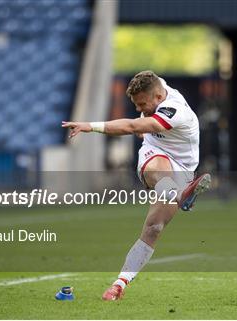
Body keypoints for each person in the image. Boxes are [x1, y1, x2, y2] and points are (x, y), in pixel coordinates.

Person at [61, 70, 211, 300]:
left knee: (155, 228)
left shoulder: (174, 110)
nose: (140, 110)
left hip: (183, 166)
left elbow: (131, 127)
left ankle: (121, 282)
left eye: (143, 104)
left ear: (159, 98)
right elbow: (148, 87)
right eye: (137, 105)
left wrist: (90, 126)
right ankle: (182, 196)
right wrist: (145, 119)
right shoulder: (156, 86)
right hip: (156, 154)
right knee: (158, 170)